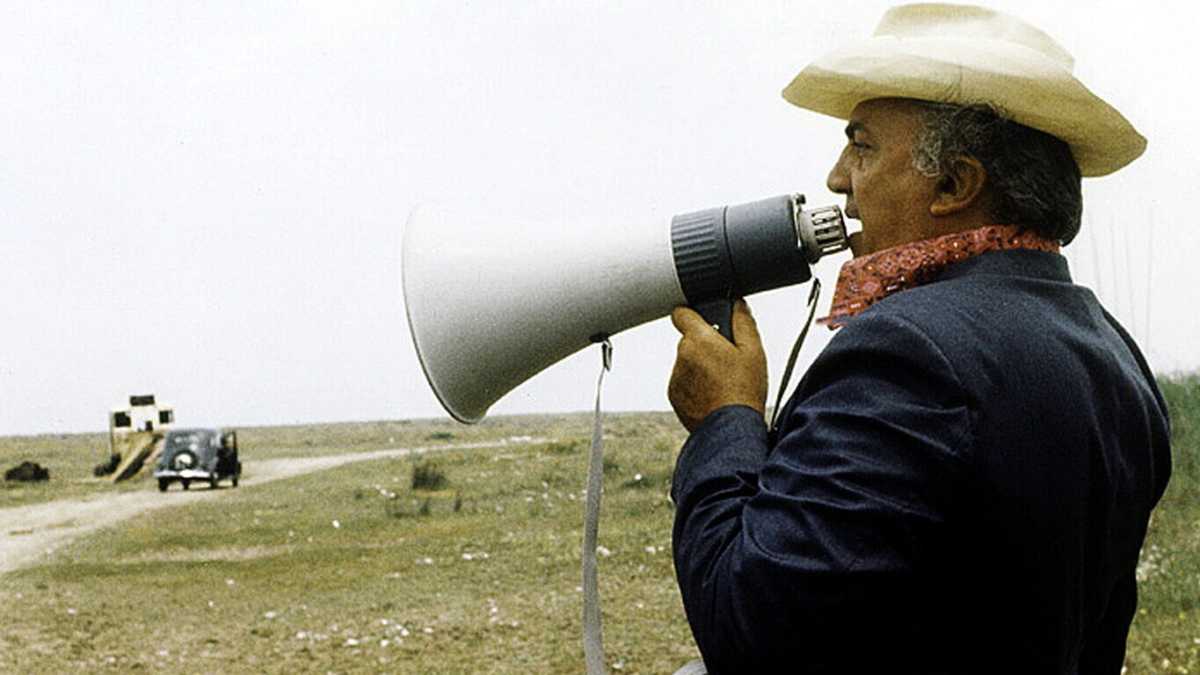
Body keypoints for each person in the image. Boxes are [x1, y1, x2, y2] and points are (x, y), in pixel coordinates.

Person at [666, 5, 1172, 674]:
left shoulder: (905, 350)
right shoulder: (1113, 348)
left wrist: (724, 420)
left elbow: (747, 626)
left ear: (955, 183)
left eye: (863, 146)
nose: (837, 178)